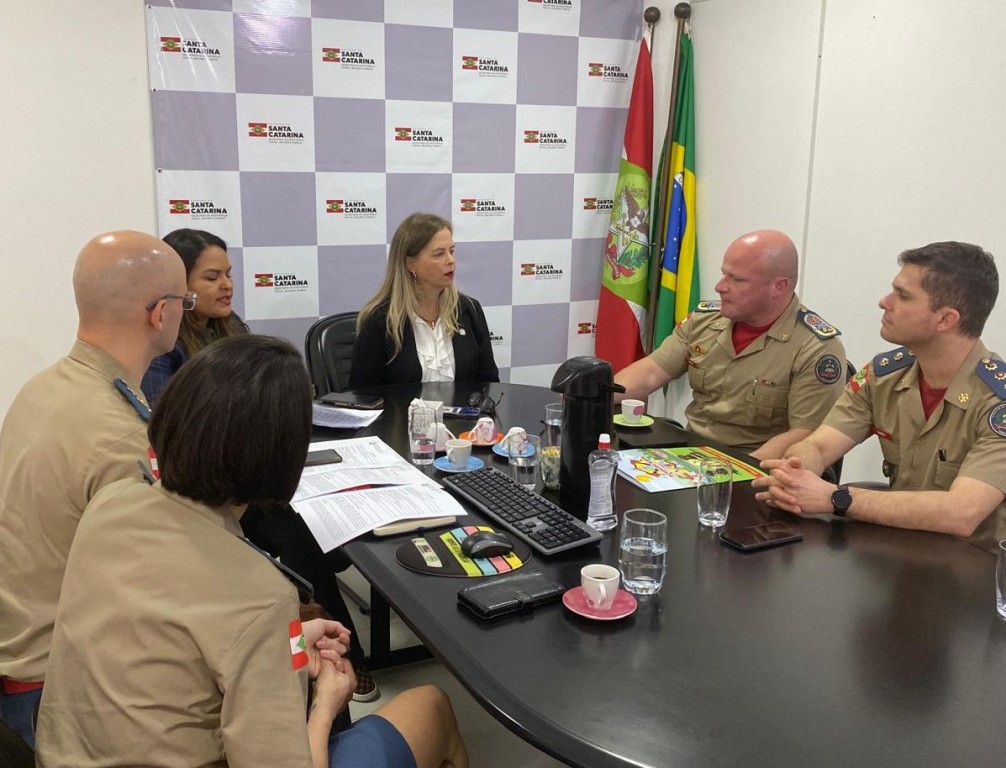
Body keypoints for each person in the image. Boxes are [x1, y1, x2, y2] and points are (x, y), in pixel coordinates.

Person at [35, 335, 468, 768]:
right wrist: (326, 703)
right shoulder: (260, 597)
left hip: (66, 752)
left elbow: (173, 632)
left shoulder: (111, 504)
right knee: (432, 707)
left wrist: (280, 644)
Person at [0, 231, 187, 748]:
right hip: (57, 692)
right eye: (185, 302)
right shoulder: (119, 436)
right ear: (160, 313)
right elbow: (152, 597)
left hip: (22, 654)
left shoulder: (42, 389)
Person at [754, 241, 1006, 553]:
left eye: (903, 295)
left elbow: (962, 513)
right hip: (900, 548)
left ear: (945, 319)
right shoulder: (884, 375)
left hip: (975, 566)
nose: (884, 302)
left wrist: (837, 498)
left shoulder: (997, 403)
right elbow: (819, 445)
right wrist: (797, 469)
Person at [614, 229, 847, 460]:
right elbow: (650, 373)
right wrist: (598, 394)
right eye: (724, 274)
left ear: (779, 286)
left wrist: (732, 471)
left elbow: (804, 434)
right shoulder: (705, 322)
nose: (720, 286)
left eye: (737, 279)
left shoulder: (815, 348)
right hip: (688, 456)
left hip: (756, 466)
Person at [350, 212, 499, 388]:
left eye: (451, 251)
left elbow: (489, 384)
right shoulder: (379, 321)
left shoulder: (469, 310)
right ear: (410, 263)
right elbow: (363, 395)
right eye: (439, 254)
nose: (451, 260)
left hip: (462, 407)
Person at [141, 228, 248, 406]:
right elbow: (160, 415)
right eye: (212, 278)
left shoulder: (233, 324)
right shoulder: (161, 345)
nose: (227, 285)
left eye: (228, 274)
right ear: (179, 283)